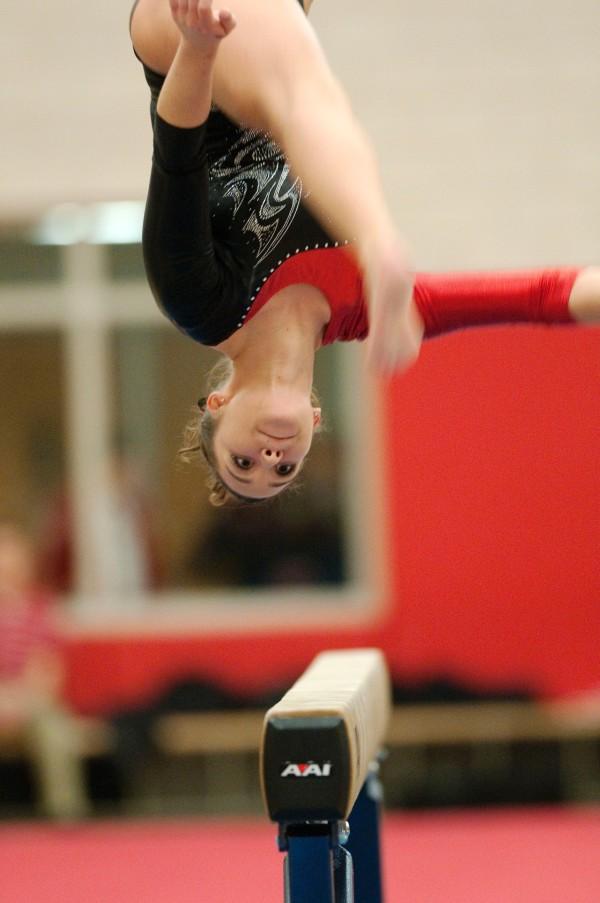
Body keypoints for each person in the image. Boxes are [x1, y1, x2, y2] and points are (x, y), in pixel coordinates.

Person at [130, 0, 600, 505]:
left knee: (300, 101)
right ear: (315, 421)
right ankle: (377, 241)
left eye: (242, 462)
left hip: (184, 41)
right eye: (285, 468)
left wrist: (197, 49)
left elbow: (178, 154)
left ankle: (378, 241)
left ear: (218, 404)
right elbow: (541, 297)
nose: (269, 456)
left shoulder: (199, 304)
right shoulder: (360, 308)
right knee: (305, 101)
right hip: (272, 49)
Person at [0, 523, 89, 819]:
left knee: (55, 731)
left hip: (31, 705)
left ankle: (65, 816)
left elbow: (47, 674)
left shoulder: (40, 611)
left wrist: (18, 702)